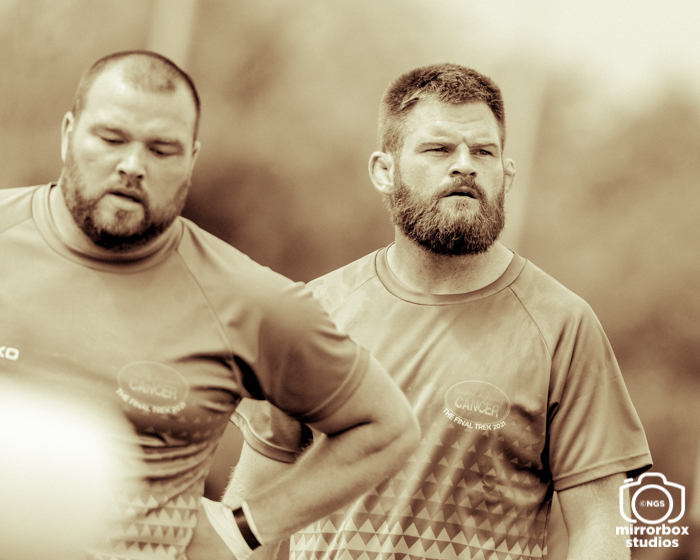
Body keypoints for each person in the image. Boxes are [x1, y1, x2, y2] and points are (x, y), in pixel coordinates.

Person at [0, 50, 420, 560]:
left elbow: (387, 427)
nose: (132, 166)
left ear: (191, 160)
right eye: (111, 139)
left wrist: (244, 527)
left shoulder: (248, 300)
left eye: (162, 149)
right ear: (69, 133)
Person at [226, 63, 653, 560]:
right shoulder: (312, 314)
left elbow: (600, 525)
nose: (465, 166)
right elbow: (250, 519)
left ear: (507, 174)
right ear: (384, 171)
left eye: (484, 152)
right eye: (439, 149)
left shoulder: (563, 326)